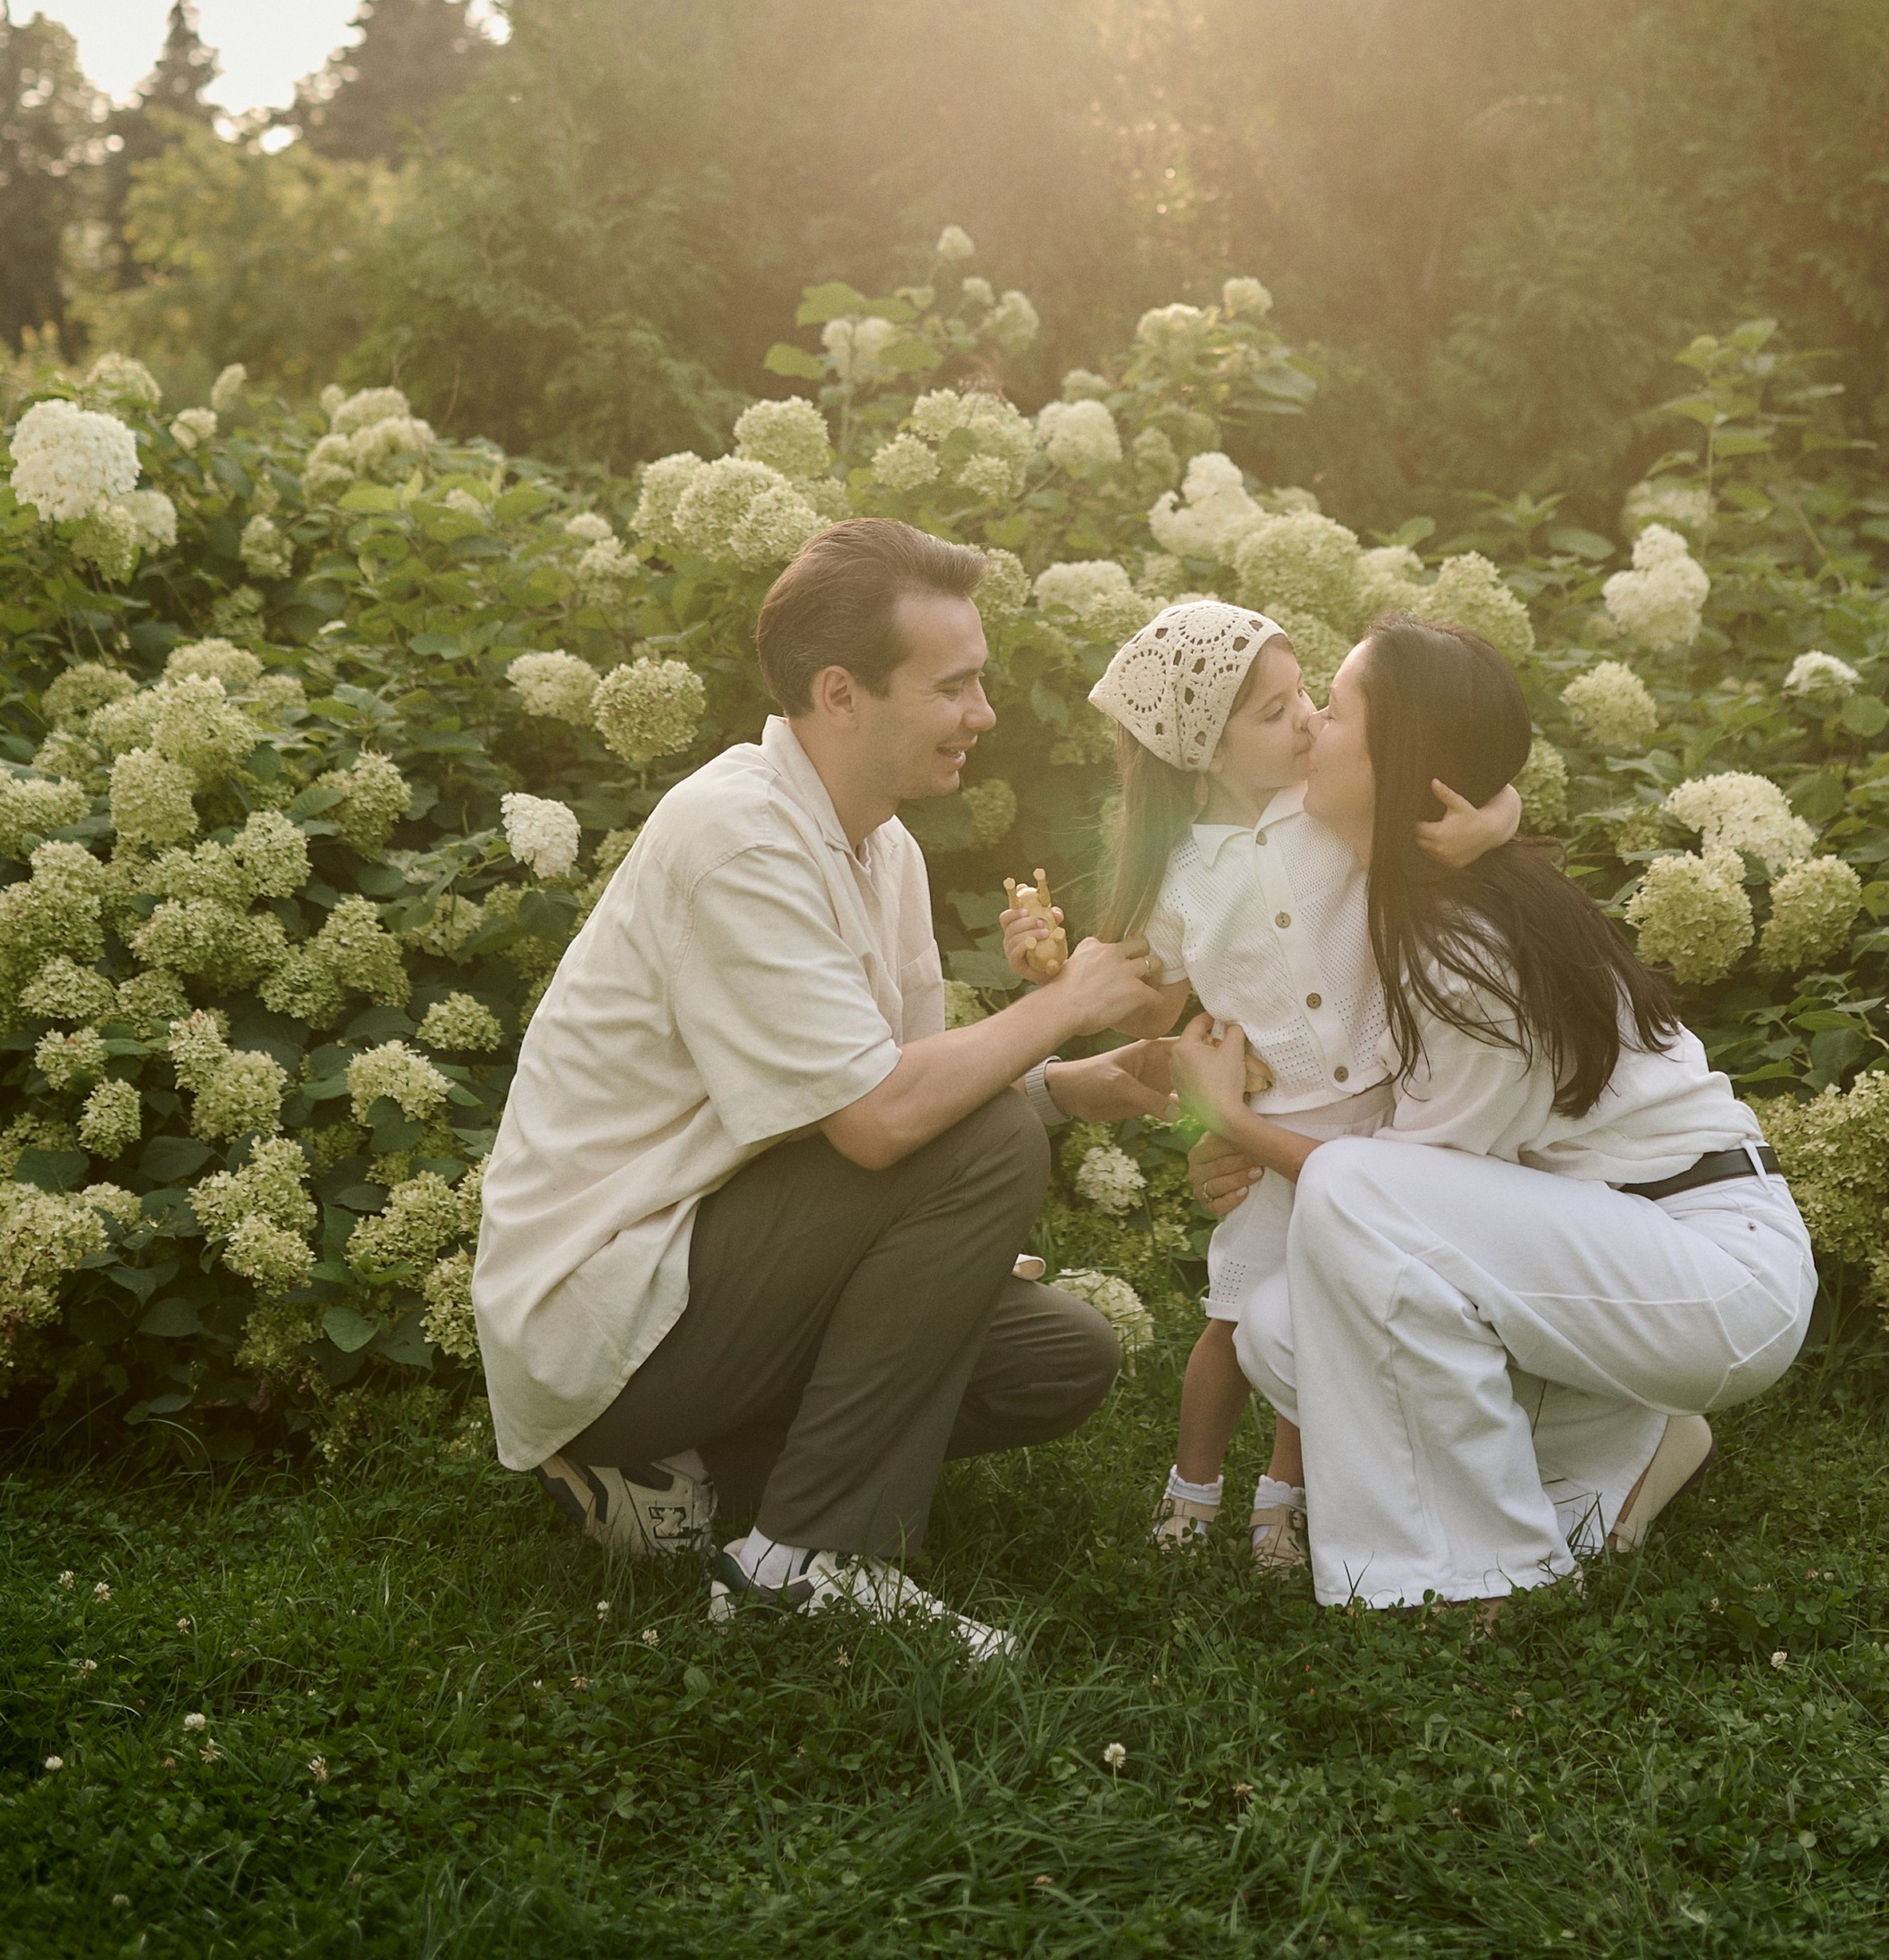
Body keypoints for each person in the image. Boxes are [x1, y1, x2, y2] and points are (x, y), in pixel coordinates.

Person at [471, 516, 1166, 1659]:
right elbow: (886, 1120)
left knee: (1061, 1355)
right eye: (954, 685)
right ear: (840, 693)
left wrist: (1073, 1087)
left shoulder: (876, 844)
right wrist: (1062, 1003)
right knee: (985, 1143)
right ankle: (805, 1555)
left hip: (715, 1273)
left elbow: (908, 1096)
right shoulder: (737, 836)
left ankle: (678, 1482)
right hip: (607, 1306)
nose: (983, 714)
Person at [1175, 613, 1817, 1611]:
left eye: (1333, 709)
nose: (1307, 728)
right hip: (1613, 1247)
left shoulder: (1464, 947)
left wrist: (1238, 1126)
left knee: (1346, 1216)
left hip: (1711, 1268)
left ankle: (1486, 1575)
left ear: (1399, 762)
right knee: (1279, 1326)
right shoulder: (1413, 891)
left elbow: (1389, 1205)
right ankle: (1625, 1447)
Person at [1003, 598, 1522, 1572]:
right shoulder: (1177, 877)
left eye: (1305, 697)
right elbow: (1152, 1011)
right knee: (1235, 1316)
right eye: (1276, 710)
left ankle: (1282, 1496)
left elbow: (1452, 803)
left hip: (1379, 1106)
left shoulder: (1328, 809)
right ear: (1203, 749)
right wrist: (1050, 972)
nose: (1308, 723)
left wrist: (1500, 814)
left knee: (1328, 1317)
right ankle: (1190, 1488)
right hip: (1271, 1126)